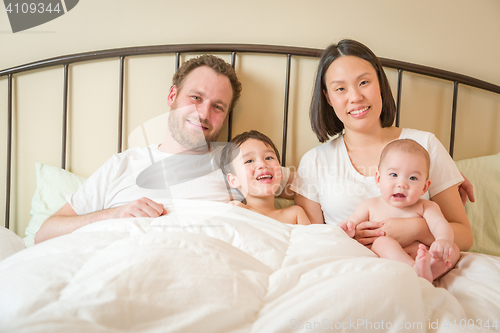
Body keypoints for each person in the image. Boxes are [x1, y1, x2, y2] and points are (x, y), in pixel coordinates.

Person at [35, 55, 293, 244]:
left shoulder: (236, 161)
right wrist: (113, 215)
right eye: (196, 97)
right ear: (172, 96)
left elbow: (302, 184)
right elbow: (44, 234)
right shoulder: (122, 164)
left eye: (218, 107)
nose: (203, 113)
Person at [291, 39, 473, 260]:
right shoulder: (314, 162)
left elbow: (465, 237)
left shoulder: (425, 145)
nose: (356, 97)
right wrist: (348, 237)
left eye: (364, 82)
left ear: (380, 83)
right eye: (340, 88)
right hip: (350, 269)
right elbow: (311, 242)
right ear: (328, 98)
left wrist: (417, 229)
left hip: (424, 268)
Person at [339, 139, 457, 282]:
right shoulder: (369, 205)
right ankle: (414, 270)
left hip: (421, 254)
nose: (402, 184)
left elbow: (439, 224)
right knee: (381, 243)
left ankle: (429, 269)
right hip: (390, 257)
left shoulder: (426, 207)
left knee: (453, 249)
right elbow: (351, 223)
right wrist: (348, 228)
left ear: (425, 187)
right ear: (378, 178)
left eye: (413, 178)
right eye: (394, 175)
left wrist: (443, 240)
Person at [220, 130, 310, 225]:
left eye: (268, 158)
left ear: (280, 173)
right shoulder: (237, 208)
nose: (262, 164)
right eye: (249, 161)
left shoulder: (295, 214)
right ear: (233, 180)